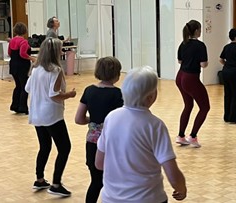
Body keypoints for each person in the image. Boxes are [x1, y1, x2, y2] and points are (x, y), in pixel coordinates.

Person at [95, 67, 187, 202]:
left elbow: (99, 163)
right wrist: (181, 188)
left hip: (111, 198)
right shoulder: (154, 125)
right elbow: (172, 173)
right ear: (150, 97)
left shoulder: (111, 117)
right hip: (147, 198)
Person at [25, 38, 76, 197]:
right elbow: (54, 95)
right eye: (60, 49)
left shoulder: (36, 68)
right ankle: (56, 183)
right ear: (54, 52)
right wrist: (69, 95)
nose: (62, 51)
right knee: (64, 148)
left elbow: (28, 88)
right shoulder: (55, 70)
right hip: (52, 115)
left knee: (45, 146)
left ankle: (39, 179)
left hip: (37, 114)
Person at [74, 57, 123, 203]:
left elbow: (79, 119)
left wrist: (94, 122)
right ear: (116, 74)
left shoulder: (89, 91)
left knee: (96, 182)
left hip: (92, 143)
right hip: (113, 144)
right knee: (115, 183)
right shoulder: (119, 94)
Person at [175, 20, 209, 148]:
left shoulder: (183, 44)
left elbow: (180, 61)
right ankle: (193, 136)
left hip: (180, 77)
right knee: (205, 107)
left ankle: (181, 136)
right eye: (200, 29)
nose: (201, 32)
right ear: (196, 31)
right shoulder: (200, 45)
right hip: (191, 78)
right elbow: (203, 64)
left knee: (188, 105)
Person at [8, 22, 35, 114]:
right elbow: (22, 54)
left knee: (18, 86)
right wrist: (32, 58)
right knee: (25, 86)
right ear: (24, 31)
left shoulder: (12, 41)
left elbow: (9, 53)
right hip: (22, 66)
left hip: (13, 65)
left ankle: (15, 105)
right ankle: (23, 107)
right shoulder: (24, 42)